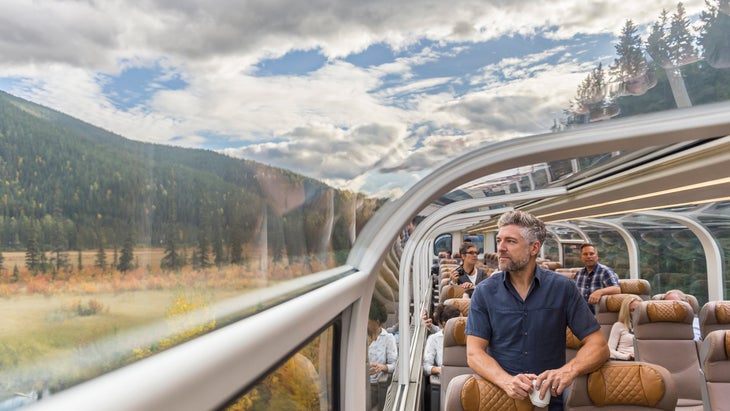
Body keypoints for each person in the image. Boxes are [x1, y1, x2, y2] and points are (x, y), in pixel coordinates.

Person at [465, 210, 609, 411]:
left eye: (511, 241)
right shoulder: (484, 292)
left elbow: (599, 346)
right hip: (500, 399)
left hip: (550, 401)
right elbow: (473, 353)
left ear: (534, 248)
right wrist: (506, 381)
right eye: (499, 240)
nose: (501, 248)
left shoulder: (563, 288)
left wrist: (568, 371)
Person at [573, 243, 621, 313]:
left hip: (599, 315)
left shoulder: (605, 271)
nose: (589, 256)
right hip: (580, 313)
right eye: (585, 254)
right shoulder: (579, 274)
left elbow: (617, 289)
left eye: (591, 254)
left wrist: (599, 292)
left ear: (597, 256)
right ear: (581, 257)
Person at [423, 304, 462, 377]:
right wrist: (440, 370)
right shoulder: (434, 339)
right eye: (459, 323)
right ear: (444, 324)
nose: (463, 324)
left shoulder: (468, 337)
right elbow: (426, 367)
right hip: (447, 377)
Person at [368, 298, 398, 384]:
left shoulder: (388, 338)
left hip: (378, 384)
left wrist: (381, 367)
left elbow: (394, 365)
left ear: (376, 322)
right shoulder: (360, 337)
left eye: (368, 320)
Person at [608, 295, 642, 360]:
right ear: (626, 312)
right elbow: (610, 350)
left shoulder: (646, 327)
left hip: (642, 361)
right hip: (624, 360)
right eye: (632, 310)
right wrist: (626, 357)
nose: (636, 313)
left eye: (638, 309)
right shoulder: (619, 325)